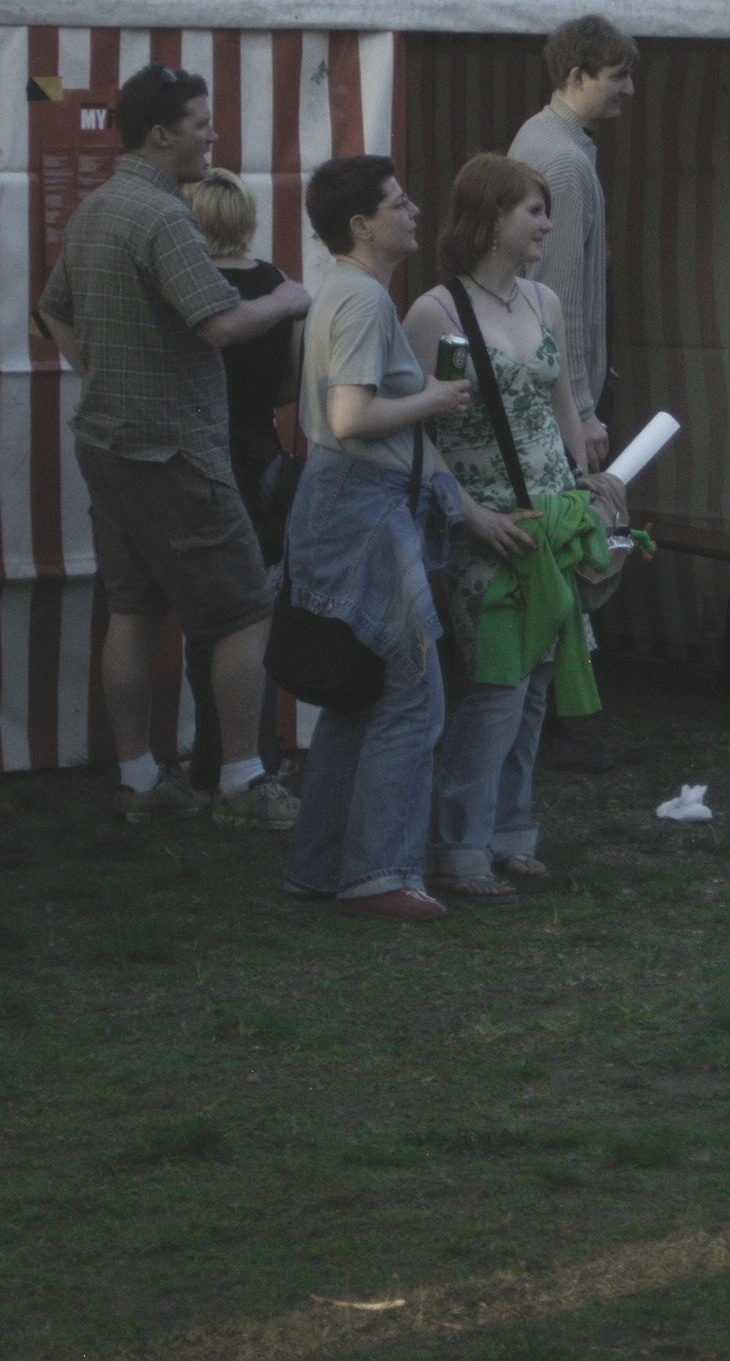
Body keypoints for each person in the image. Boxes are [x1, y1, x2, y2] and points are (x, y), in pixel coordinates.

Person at [37, 63, 311, 826]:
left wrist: (97, 372)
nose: (212, 135)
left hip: (108, 441)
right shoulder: (163, 217)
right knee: (244, 608)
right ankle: (242, 781)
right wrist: (285, 300)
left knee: (132, 606)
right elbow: (219, 324)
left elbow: (50, 307)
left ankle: (138, 780)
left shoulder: (98, 208)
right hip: (175, 447)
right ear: (161, 133)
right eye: (201, 122)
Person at [280, 157, 472, 923]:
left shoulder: (352, 294)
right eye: (400, 202)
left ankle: (323, 866)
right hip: (360, 503)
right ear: (361, 225)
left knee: (361, 692)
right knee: (411, 687)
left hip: (351, 501)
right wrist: (434, 397)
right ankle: (379, 874)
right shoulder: (360, 301)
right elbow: (352, 418)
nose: (416, 210)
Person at [399, 155, 589, 904]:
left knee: (538, 679)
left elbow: (564, 405)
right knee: (496, 684)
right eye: (531, 211)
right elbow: (416, 434)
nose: (544, 224)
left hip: (551, 517)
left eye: (545, 210)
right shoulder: (435, 312)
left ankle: (513, 832)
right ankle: (459, 843)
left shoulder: (545, 301)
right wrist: (470, 515)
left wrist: (586, 491)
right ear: (488, 219)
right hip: (484, 517)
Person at [510, 13, 636, 774]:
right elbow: (558, 298)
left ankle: (551, 714)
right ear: (576, 73)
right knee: (572, 551)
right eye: (616, 74)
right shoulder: (559, 161)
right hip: (563, 398)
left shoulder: (551, 146)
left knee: (564, 550)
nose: (627, 89)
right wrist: (581, 407)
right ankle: (555, 718)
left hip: (565, 389)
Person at [179, 167, 301, 796]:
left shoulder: (185, 285)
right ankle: (257, 756)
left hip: (198, 452)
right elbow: (289, 381)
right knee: (257, 609)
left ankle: (216, 759)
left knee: (211, 617)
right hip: (261, 454)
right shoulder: (277, 286)